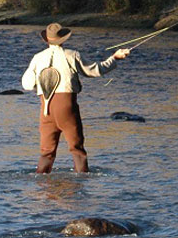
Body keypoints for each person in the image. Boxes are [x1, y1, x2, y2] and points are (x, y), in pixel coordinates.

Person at [20, 23, 130, 173]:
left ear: (47, 40)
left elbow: (26, 84)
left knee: (46, 152)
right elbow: (95, 70)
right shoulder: (72, 55)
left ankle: (42, 189)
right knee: (77, 149)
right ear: (63, 39)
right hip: (67, 107)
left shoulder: (37, 58)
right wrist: (115, 58)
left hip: (45, 110)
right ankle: (81, 185)